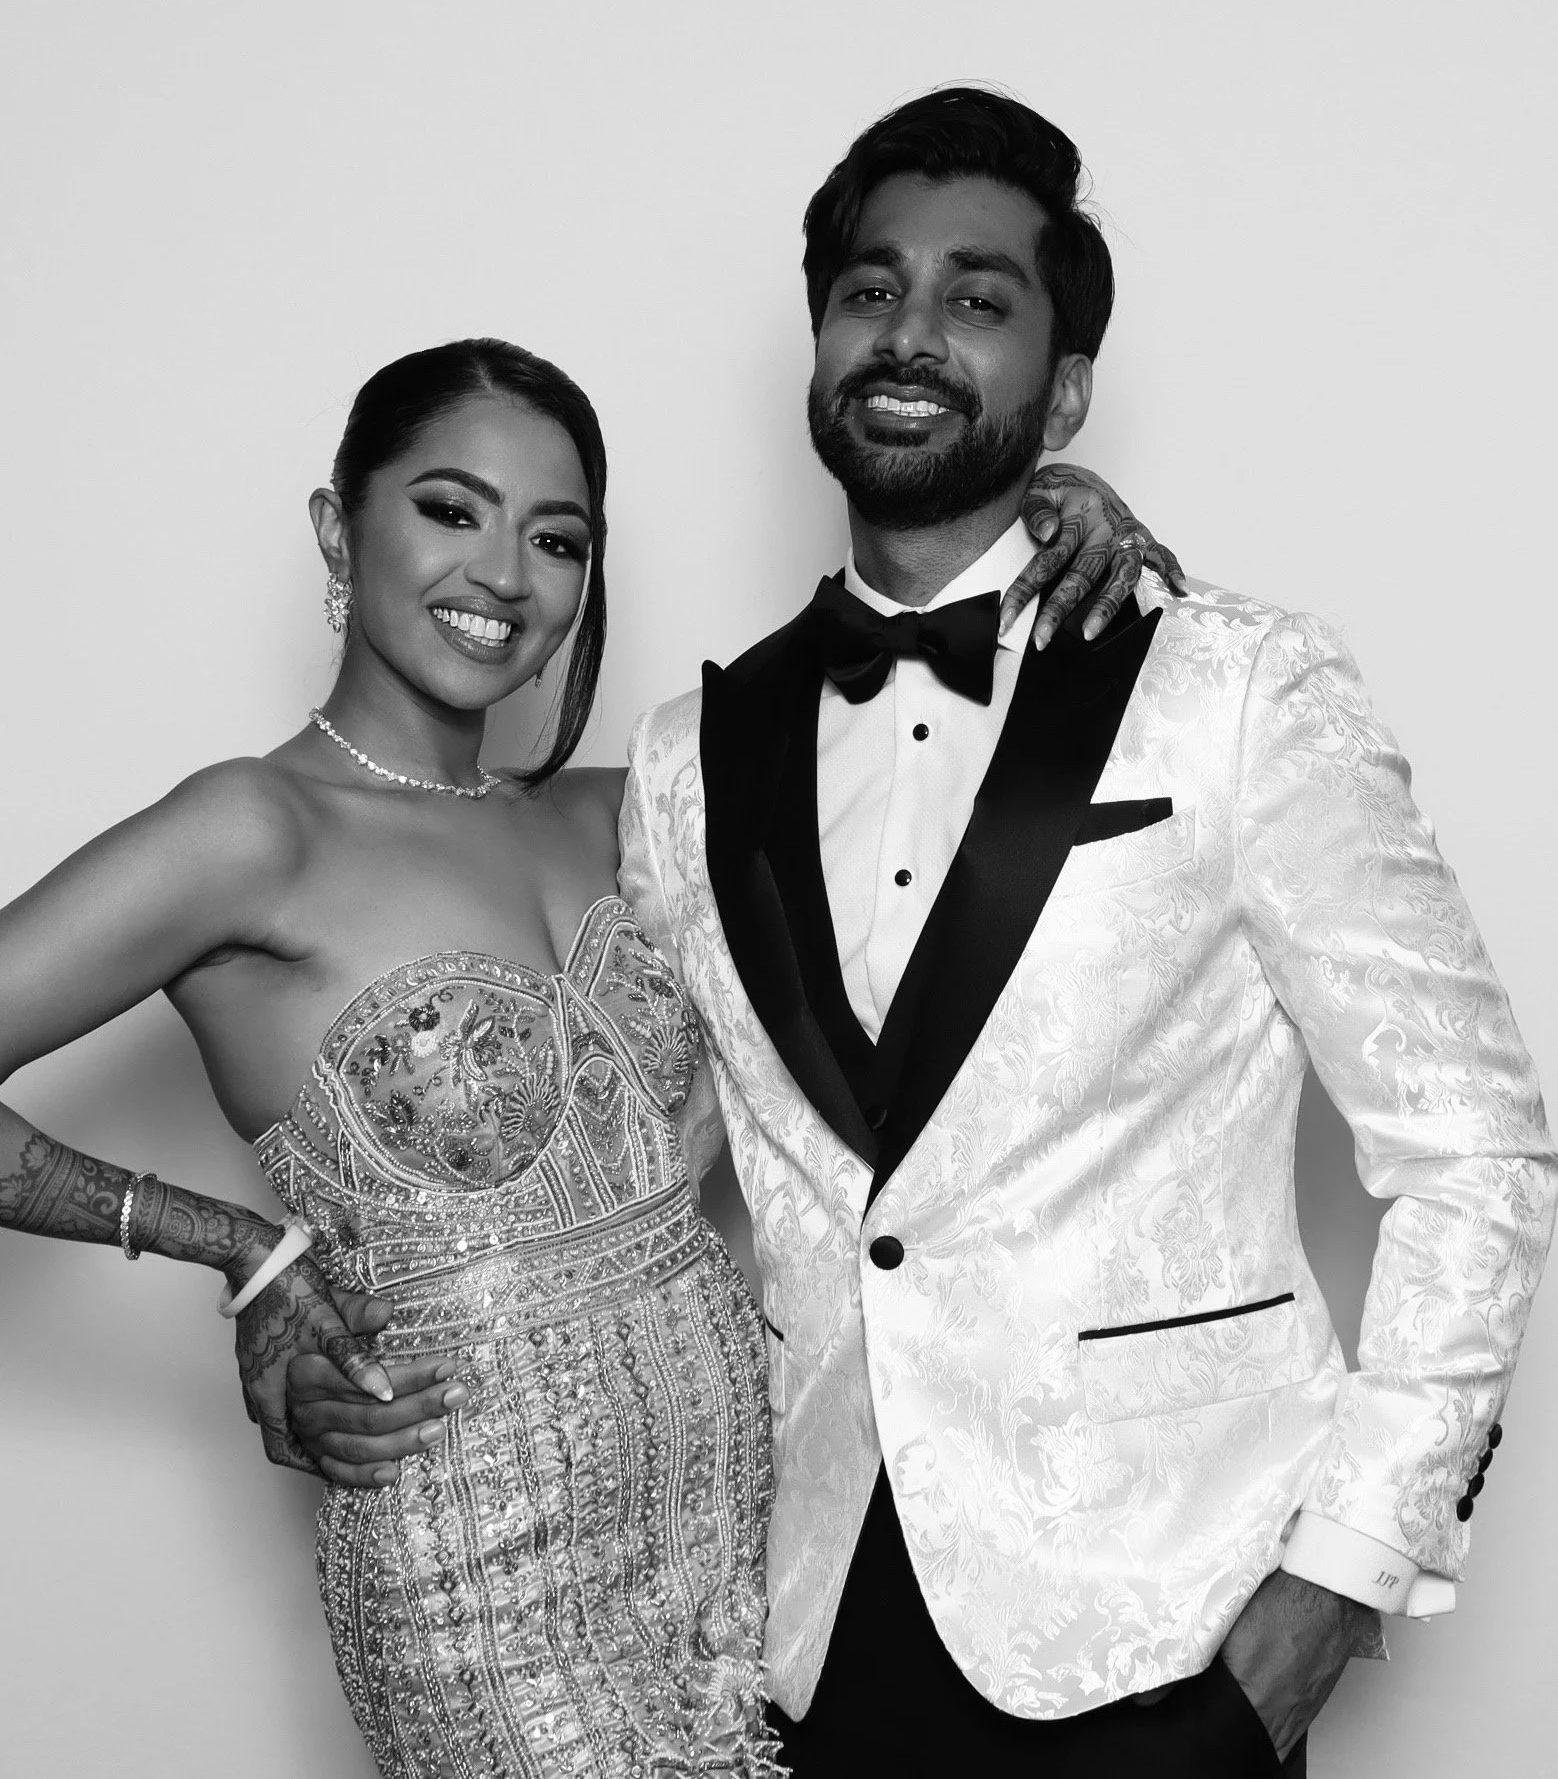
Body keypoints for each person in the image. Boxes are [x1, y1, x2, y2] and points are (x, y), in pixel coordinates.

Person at [294, 88, 1554, 1775]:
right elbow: (608, 1165)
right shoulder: (684, 759)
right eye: (871, 290)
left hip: (1166, 1624)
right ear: (818, 346)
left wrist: (1342, 1576)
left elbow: (1475, 1151)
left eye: (977, 299)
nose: (910, 333)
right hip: (801, 1621)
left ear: (1065, 387)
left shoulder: (1235, 687)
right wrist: (285, 1303)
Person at [0, 334, 1172, 1775]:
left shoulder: (641, 800)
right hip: (479, 1563)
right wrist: (238, 1247)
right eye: (450, 509)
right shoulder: (251, 831)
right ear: (336, 529)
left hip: (749, 1532)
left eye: (555, 539)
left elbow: (945, 759)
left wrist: (1039, 507)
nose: (502, 574)